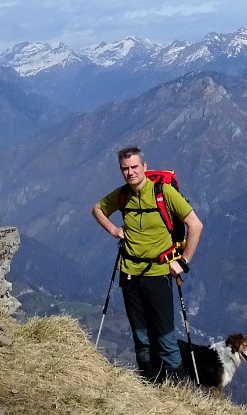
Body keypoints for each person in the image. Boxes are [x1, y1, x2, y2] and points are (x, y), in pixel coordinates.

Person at [92, 146, 203, 383]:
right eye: (125, 169)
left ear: (144, 167)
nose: (130, 172)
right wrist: (114, 230)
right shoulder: (122, 195)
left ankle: (180, 388)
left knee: (164, 336)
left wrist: (183, 263)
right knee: (140, 336)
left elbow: (196, 225)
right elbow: (97, 209)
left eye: (134, 167)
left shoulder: (164, 193)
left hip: (158, 273)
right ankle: (149, 384)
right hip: (129, 274)